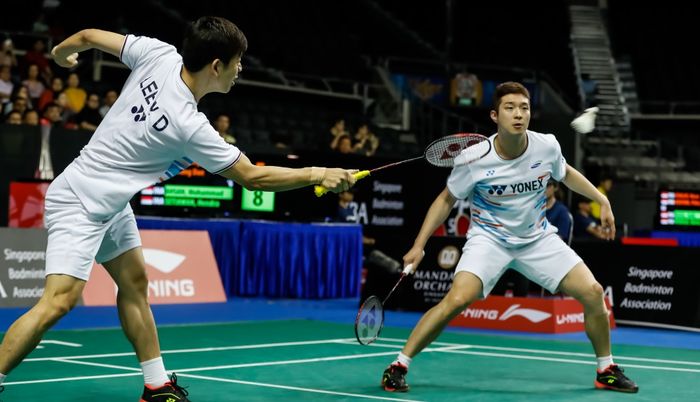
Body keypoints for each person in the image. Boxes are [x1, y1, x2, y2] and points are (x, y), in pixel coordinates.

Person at [0, 17, 357, 402]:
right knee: (59, 301)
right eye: (238, 61)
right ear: (216, 65)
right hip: (80, 201)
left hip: (111, 203)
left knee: (135, 284)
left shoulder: (159, 54)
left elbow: (87, 36)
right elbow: (252, 177)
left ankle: (156, 384)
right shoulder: (190, 125)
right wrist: (318, 172)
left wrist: (60, 53)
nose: (241, 70)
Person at [380, 82, 637, 394]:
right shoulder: (474, 158)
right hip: (489, 239)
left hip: (536, 238)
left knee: (594, 293)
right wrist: (418, 245)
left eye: (524, 108)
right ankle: (399, 364)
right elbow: (446, 200)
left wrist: (603, 200)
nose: (519, 114)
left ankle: (605, 369)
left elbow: (565, 173)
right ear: (495, 115)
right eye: (510, 108)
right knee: (457, 300)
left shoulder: (547, 146)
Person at [545, 179, 572, 244]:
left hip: (553, 249)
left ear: (555, 188)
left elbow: (560, 239)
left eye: (548, 185)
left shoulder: (562, 211)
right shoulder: (534, 209)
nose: (544, 188)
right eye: (542, 185)